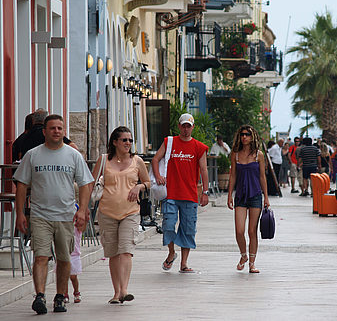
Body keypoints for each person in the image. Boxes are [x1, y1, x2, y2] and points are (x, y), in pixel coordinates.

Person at [14, 114, 93, 315]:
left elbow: (86, 184)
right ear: (44, 131)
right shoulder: (32, 155)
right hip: (40, 215)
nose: (56, 131)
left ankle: (60, 296)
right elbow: (21, 185)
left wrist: (82, 210)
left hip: (66, 215)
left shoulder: (73, 155)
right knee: (40, 255)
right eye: (52, 128)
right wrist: (20, 214)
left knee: (64, 258)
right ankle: (39, 295)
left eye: (59, 128)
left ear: (63, 131)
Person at [92, 126, 150, 304]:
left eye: (130, 140)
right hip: (107, 212)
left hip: (130, 212)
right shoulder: (103, 161)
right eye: (124, 140)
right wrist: (82, 209)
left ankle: (124, 289)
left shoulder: (137, 161)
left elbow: (148, 182)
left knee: (126, 251)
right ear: (115, 142)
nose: (128, 143)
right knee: (113, 253)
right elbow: (90, 184)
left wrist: (139, 186)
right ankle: (116, 293)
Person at [152, 113, 209, 274]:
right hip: (170, 193)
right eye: (183, 125)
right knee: (168, 225)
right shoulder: (169, 142)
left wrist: (205, 192)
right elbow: (156, 159)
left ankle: (184, 263)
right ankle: (171, 252)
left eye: (188, 126)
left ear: (193, 127)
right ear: (179, 126)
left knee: (188, 228)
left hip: (190, 194)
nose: (185, 129)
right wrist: (158, 176)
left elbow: (204, 170)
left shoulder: (199, 147)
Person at [227, 125, 270, 273]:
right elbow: (233, 176)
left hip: (255, 195)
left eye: (247, 135)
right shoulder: (235, 154)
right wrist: (229, 195)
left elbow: (262, 177)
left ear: (252, 137)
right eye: (242, 135)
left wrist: (266, 197)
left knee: (252, 231)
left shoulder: (259, 155)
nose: (244, 137)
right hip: (240, 195)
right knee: (239, 231)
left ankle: (252, 263)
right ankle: (243, 255)